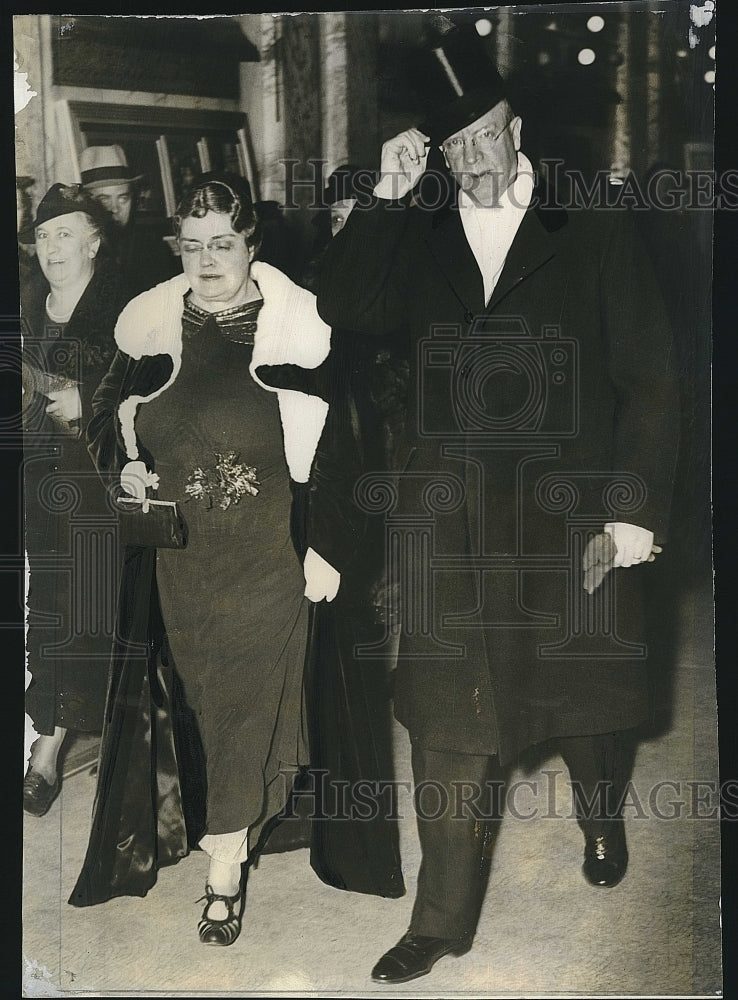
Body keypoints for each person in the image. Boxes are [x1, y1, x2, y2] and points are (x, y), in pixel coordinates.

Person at [316, 16, 680, 985]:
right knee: (446, 714)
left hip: (566, 498)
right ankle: (441, 920)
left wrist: (629, 515)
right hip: (448, 506)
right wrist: (387, 196)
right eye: (453, 143)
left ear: (517, 129)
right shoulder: (421, 219)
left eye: (487, 134)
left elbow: (648, 372)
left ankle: (602, 817)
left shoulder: (587, 212)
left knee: (584, 699)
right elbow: (344, 309)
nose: (473, 157)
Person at [68, 173, 389, 945]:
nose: (208, 260)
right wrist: (128, 466)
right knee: (202, 704)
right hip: (182, 559)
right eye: (194, 245)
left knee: (249, 703)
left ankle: (224, 877)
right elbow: (107, 424)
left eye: (224, 245)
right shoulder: (147, 326)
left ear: (252, 245)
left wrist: (328, 547)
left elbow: (352, 444)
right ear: (178, 246)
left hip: (270, 554)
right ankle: (229, 830)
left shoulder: (302, 331)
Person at [22, 182, 130, 816]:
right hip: (39, 485)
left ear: (94, 240)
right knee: (48, 611)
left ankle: (119, 750)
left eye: (66, 233)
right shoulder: (27, 305)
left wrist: (89, 400)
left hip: (101, 484)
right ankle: (47, 749)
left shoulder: (124, 305)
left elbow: (157, 379)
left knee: (98, 611)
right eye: (42, 236)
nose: (52, 247)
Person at [79, 144, 179, 298]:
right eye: (104, 200)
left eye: (123, 198)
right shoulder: (77, 253)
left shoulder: (153, 250)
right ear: (88, 202)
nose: (115, 209)